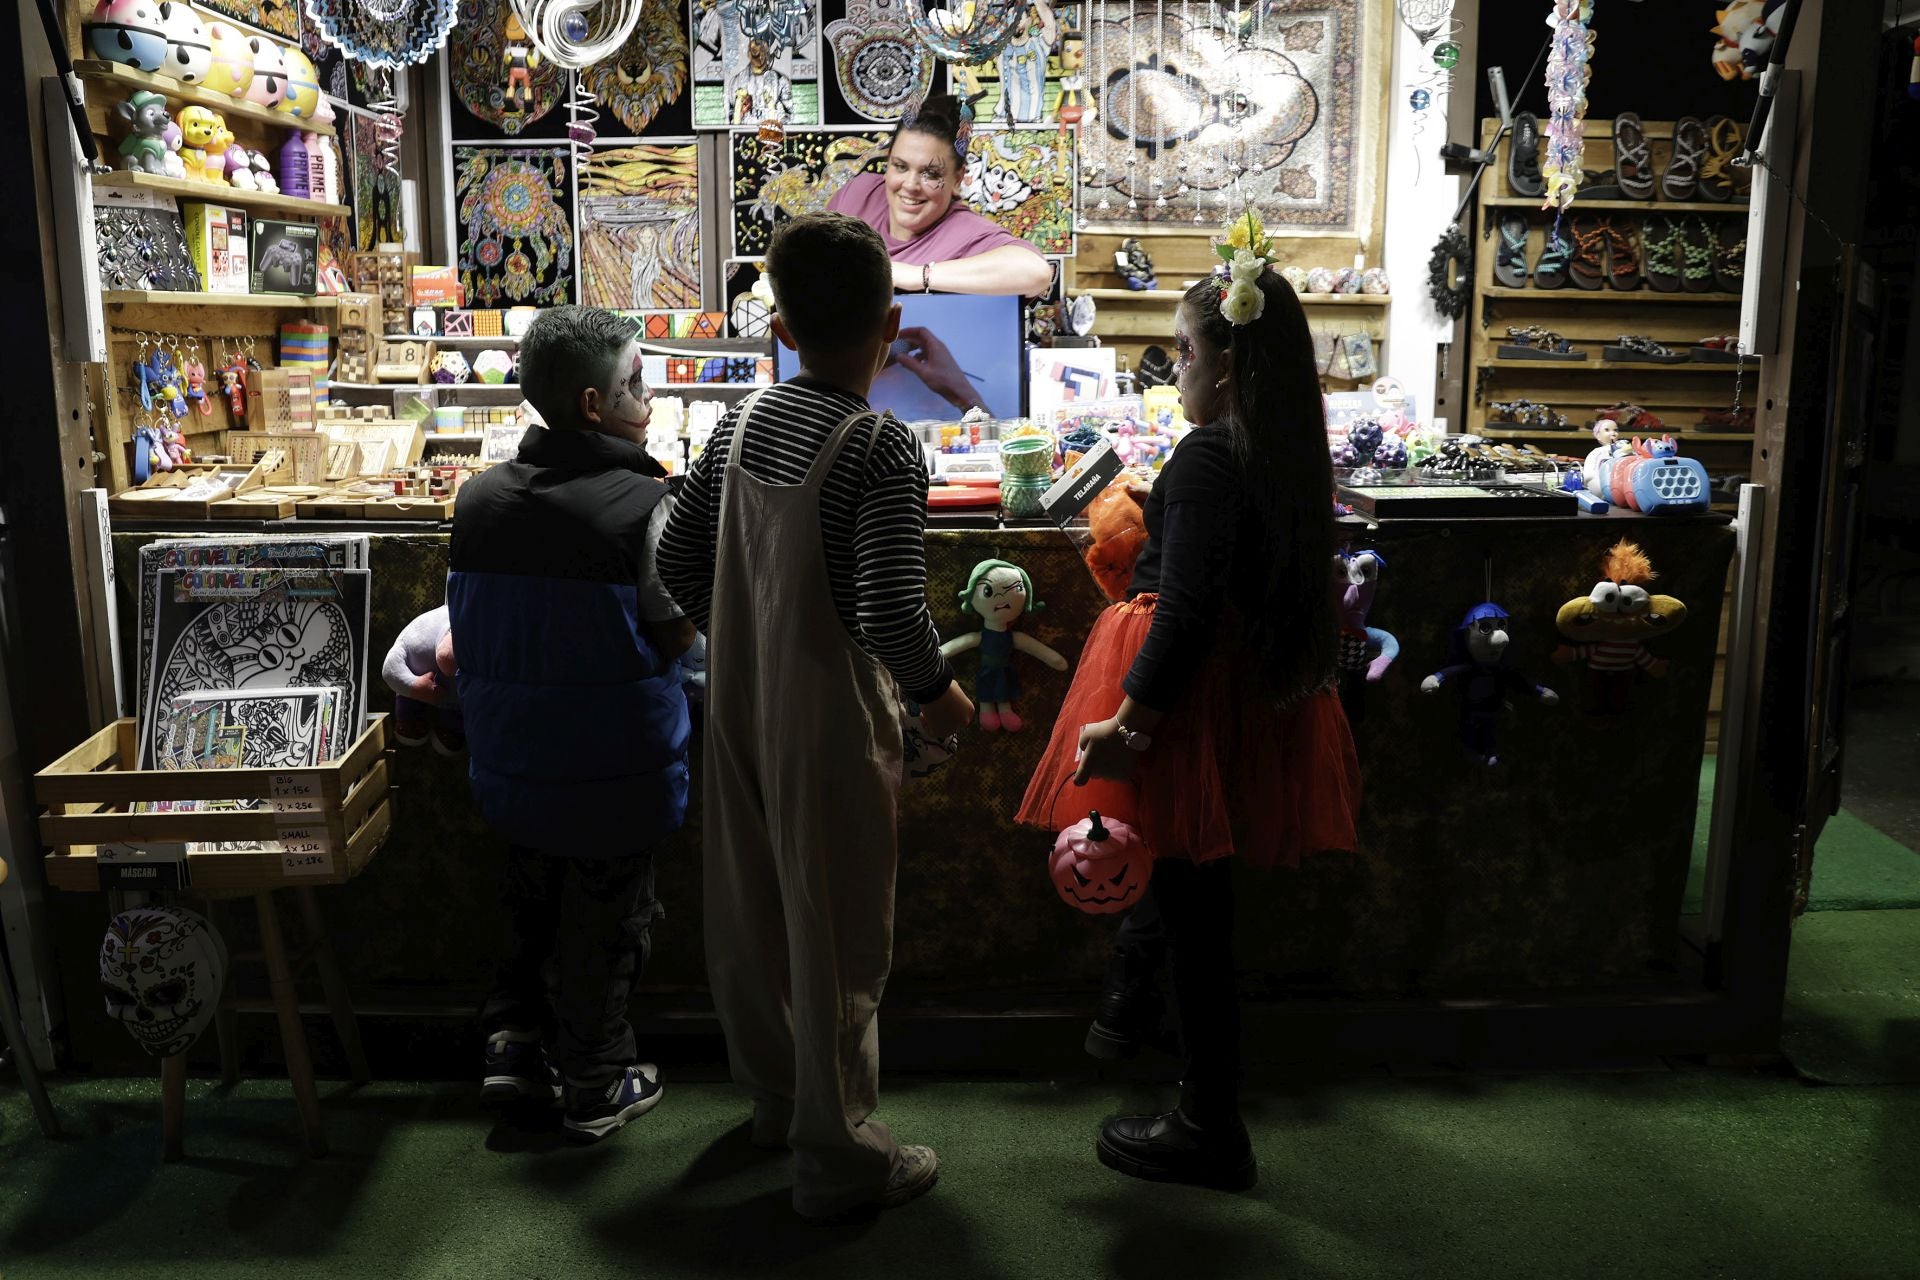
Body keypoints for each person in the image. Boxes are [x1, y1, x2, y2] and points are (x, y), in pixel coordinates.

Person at [1014, 247, 1363, 1191]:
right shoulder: (1279, 446)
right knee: (1189, 900)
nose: (1178, 374)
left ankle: (1210, 1122)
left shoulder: (1213, 453)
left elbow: (1187, 609)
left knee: (1194, 912)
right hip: (1233, 696)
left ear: (1230, 362)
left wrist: (1129, 722)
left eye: (1184, 353)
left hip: (1185, 701)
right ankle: (1152, 1039)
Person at [657, 213, 974, 1222]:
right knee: (837, 932)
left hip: (739, 711)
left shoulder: (739, 424)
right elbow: (886, 607)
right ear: (889, 323)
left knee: (752, 918)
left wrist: (748, 633)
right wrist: (941, 696)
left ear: (781, 331)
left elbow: (673, 563)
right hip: (829, 727)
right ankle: (837, 1161)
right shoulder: (880, 444)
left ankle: (778, 1104)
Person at [448, 306, 697, 1144]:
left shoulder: (478, 499)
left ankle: (511, 1050)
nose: (650, 390)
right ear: (596, 405)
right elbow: (674, 633)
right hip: (613, 765)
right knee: (606, 920)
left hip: (510, 758)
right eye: (637, 377)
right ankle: (596, 1079)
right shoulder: (644, 505)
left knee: (526, 901)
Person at [827, 92, 1053, 299]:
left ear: (956, 179)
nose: (911, 185)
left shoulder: (966, 232)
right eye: (900, 166)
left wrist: (917, 276)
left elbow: (1036, 272)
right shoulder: (858, 195)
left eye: (931, 174)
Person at [380, 604, 463, 756]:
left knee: (455, 712)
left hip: (457, 694)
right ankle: (409, 719)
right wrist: (414, 686)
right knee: (408, 699)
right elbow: (390, 668)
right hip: (417, 678)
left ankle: (451, 727)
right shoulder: (416, 639)